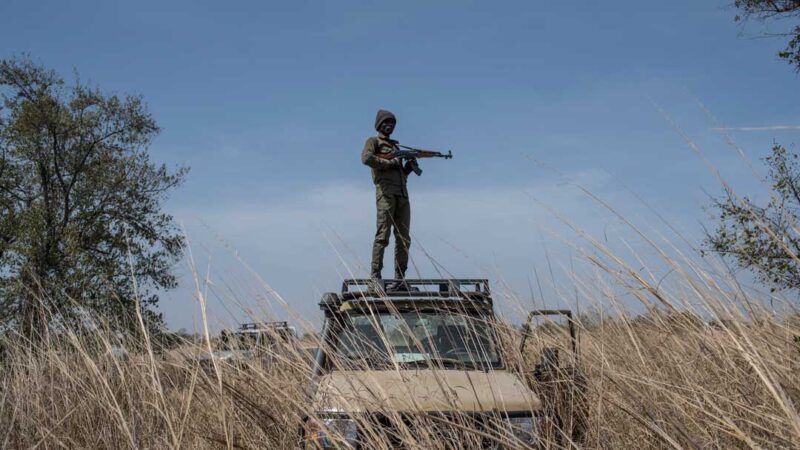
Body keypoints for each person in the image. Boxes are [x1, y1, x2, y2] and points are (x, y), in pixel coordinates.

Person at [361, 109, 417, 288]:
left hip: (402, 194)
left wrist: (408, 168)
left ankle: (400, 279)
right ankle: (375, 277)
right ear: (379, 124)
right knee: (382, 235)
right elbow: (367, 158)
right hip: (385, 194)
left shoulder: (396, 147)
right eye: (386, 122)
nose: (390, 125)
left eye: (392, 123)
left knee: (404, 238)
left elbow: (400, 175)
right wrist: (389, 162)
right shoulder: (374, 142)